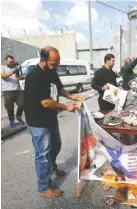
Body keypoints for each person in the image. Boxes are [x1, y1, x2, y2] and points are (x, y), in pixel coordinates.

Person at [24, 46, 81, 198]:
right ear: (42, 60)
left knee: (56, 144)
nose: (55, 67)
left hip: (49, 118)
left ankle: (52, 167)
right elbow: (46, 103)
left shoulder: (51, 71)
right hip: (37, 121)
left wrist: (72, 97)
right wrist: (66, 107)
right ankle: (44, 186)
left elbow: (59, 88)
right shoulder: (35, 76)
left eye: (57, 64)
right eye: (53, 64)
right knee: (42, 154)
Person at [1, 55, 25, 127]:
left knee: (22, 104)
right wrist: (12, 72)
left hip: (17, 90)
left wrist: (23, 77)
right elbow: (2, 76)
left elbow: (18, 77)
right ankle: (12, 120)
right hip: (7, 91)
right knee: (10, 108)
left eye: (12, 62)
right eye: (10, 62)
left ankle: (18, 116)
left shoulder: (15, 68)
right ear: (6, 61)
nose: (11, 64)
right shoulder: (2, 68)